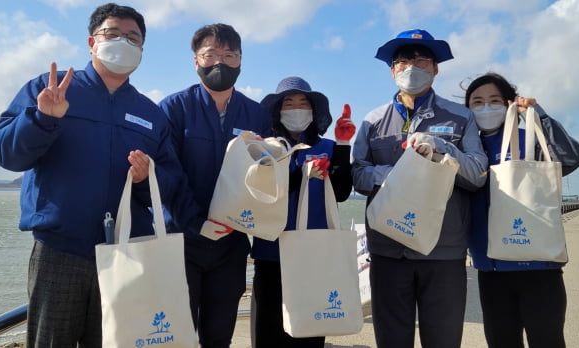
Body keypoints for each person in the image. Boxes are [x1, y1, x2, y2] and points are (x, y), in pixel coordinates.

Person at [0, 3, 189, 347]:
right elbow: (6, 153)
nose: (122, 42)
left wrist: (145, 177)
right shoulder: (50, 89)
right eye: (112, 34)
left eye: (132, 37)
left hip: (127, 253)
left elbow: (170, 182)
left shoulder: (150, 114)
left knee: (118, 341)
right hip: (59, 252)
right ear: (91, 42)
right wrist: (41, 119)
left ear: (141, 49)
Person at [351, 29, 488, 347]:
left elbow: (478, 174)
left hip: (443, 253)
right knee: (391, 339)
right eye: (402, 60)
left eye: (421, 59)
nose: (411, 65)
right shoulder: (372, 121)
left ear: (436, 67)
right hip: (387, 251)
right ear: (392, 70)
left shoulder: (461, 117)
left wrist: (443, 150)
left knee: (443, 340)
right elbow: (358, 175)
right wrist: (397, 173)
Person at [158, 23, 271, 348]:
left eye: (229, 55)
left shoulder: (255, 113)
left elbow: (263, 179)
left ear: (240, 62)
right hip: (181, 240)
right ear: (196, 60)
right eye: (210, 54)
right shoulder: (173, 108)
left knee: (220, 333)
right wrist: (196, 222)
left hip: (231, 245)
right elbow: (168, 171)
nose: (219, 62)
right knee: (176, 333)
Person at [465, 72, 579, 348]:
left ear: (510, 104)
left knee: (547, 340)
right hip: (490, 269)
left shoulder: (529, 139)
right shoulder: (467, 149)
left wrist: (538, 115)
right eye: (477, 102)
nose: (486, 107)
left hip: (539, 266)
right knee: (501, 341)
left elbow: (571, 158)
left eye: (494, 100)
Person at [250, 76, 355, 347]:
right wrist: (302, 177)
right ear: (277, 110)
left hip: (314, 253)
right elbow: (260, 193)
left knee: (309, 330)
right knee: (267, 332)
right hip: (271, 253)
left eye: (303, 102)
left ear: (314, 110)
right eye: (288, 103)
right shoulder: (266, 148)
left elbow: (342, 192)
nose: (296, 108)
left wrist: (343, 145)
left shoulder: (328, 148)